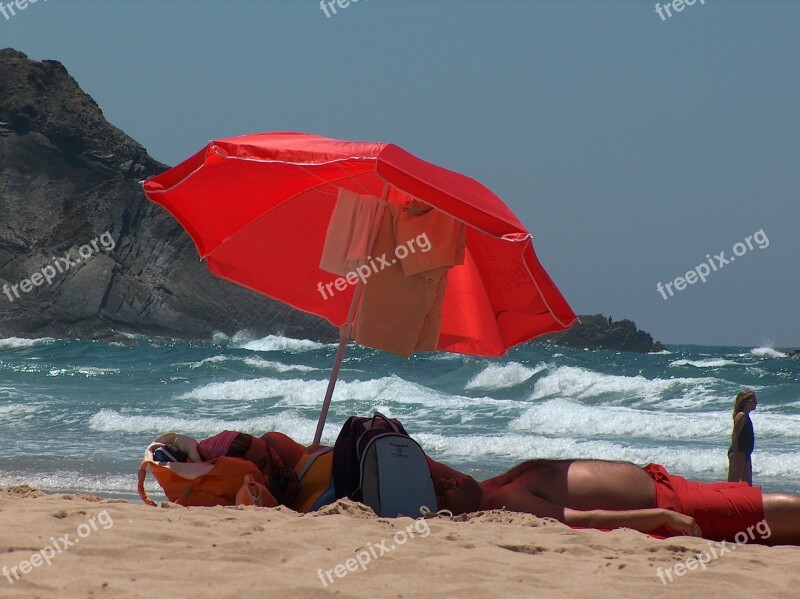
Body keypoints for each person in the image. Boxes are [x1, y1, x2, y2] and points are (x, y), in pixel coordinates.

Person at [434, 458, 800, 545]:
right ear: (457, 510)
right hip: (674, 505)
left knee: (759, 499)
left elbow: (424, 462)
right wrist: (660, 515)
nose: (449, 480)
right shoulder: (505, 501)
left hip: (669, 482)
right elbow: (586, 518)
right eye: (444, 491)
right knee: (782, 512)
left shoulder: (487, 484)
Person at [728, 390, 757, 485]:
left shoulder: (746, 416)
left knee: (747, 484)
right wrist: (736, 455)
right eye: (753, 400)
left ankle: (746, 500)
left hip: (745, 452)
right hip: (739, 452)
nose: (756, 403)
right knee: (733, 484)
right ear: (745, 401)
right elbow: (735, 435)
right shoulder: (741, 415)